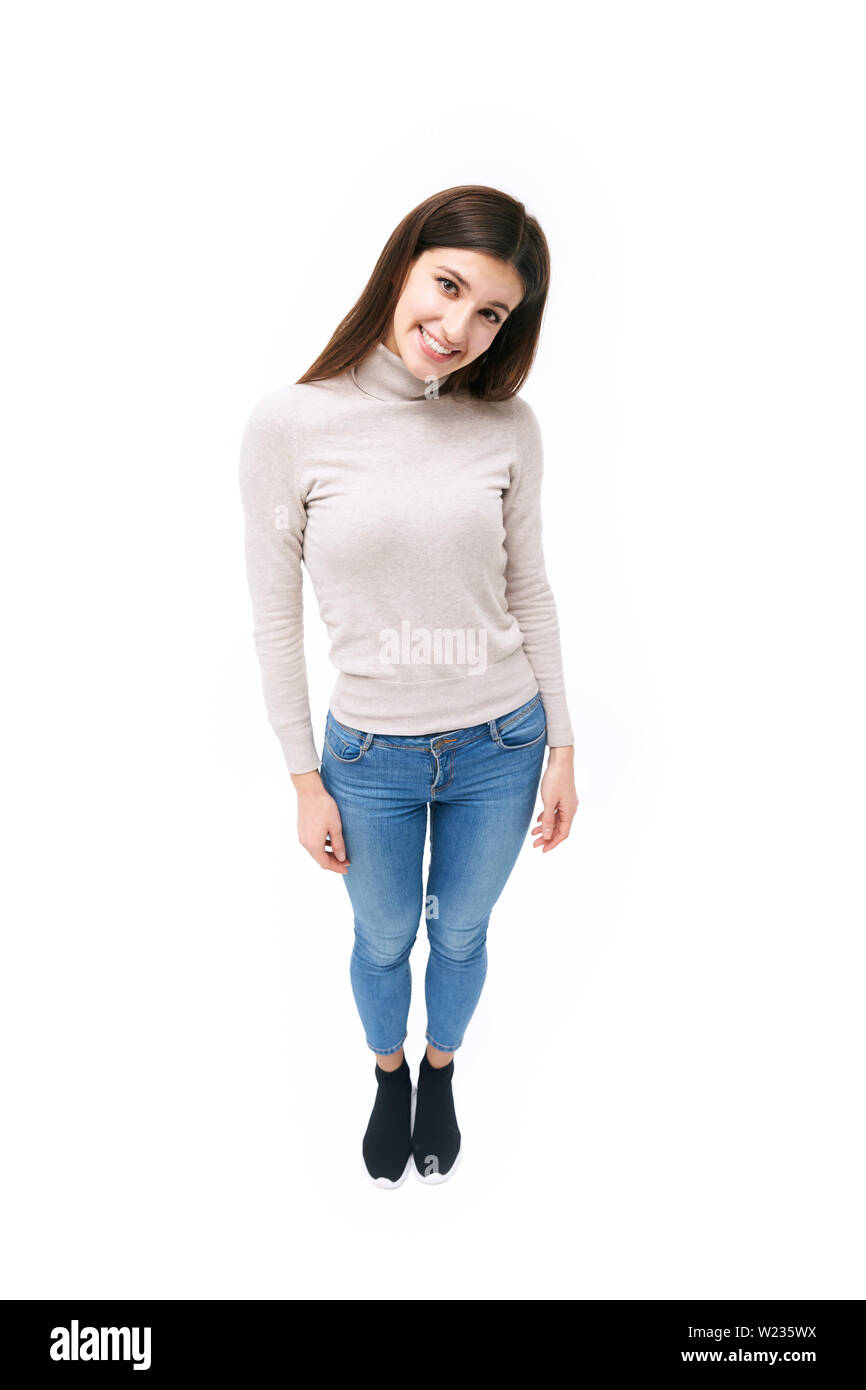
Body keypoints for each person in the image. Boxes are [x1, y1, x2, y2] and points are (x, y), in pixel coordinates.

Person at [239, 184, 579, 1188]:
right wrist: (305, 780)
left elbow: (531, 589)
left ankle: (441, 1069)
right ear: (401, 265)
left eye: (491, 313)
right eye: (448, 285)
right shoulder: (290, 424)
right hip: (370, 757)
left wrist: (563, 743)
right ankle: (388, 1073)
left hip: (503, 746)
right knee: (383, 937)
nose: (459, 326)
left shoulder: (506, 425)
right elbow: (271, 618)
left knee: (461, 931)